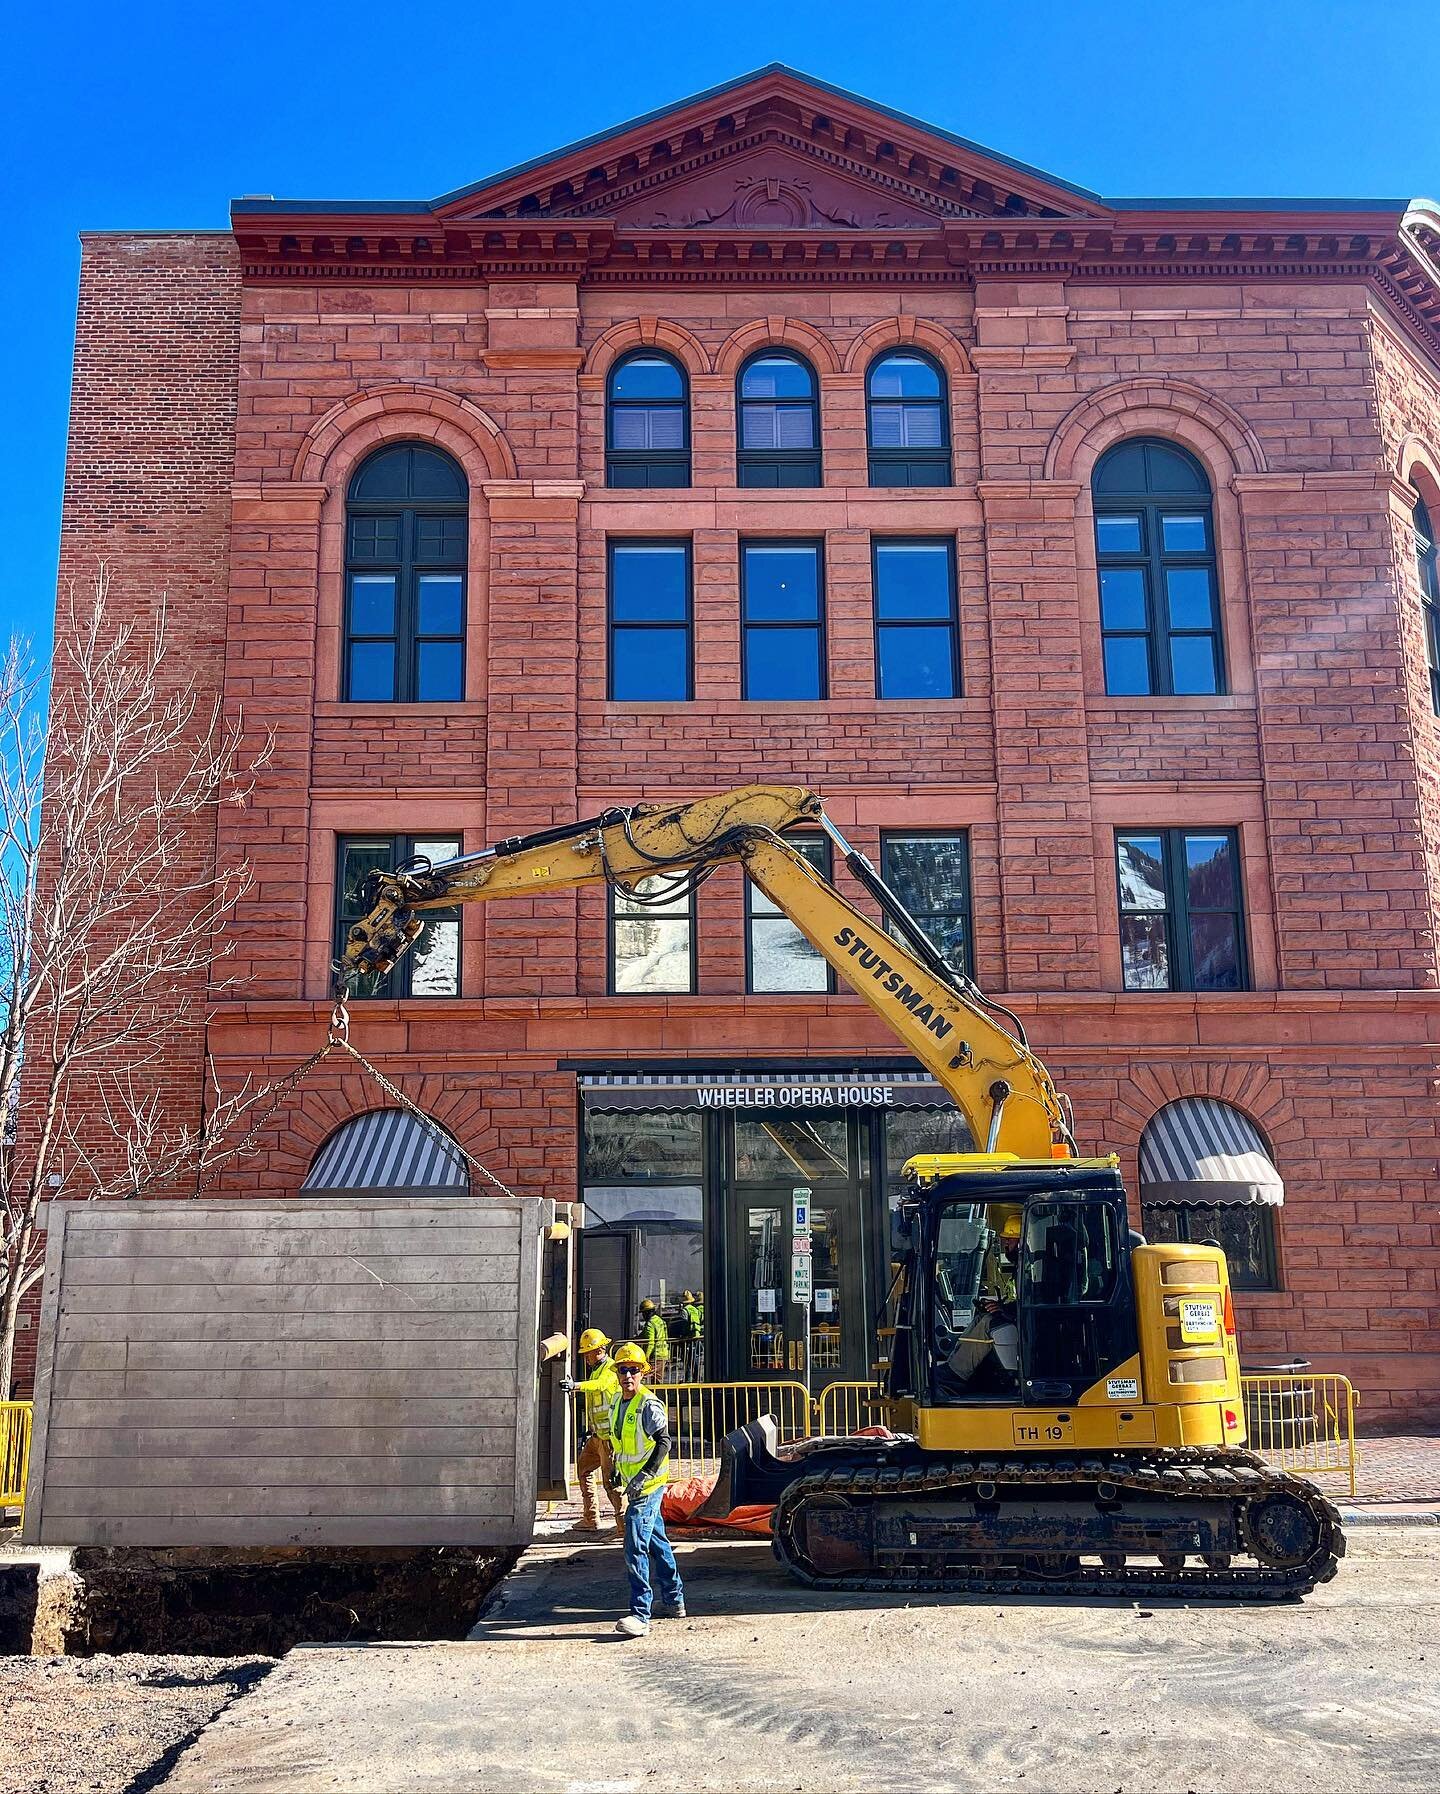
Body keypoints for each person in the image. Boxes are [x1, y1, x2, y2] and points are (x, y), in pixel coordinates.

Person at [608, 1342, 685, 1638]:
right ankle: (675, 1599)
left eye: (634, 1370)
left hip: (648, 1486)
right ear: (617, 1373)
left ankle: (641, 1614)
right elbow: (620, 1443)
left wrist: (645, 1475)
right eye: (623, 1370)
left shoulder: (648, 1405)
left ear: (643, 1373)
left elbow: (664, 1442)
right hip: (633, 1483)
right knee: (656, 1542)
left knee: (634, 1543)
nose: (628, 1375)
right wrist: (617, 1469)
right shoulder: (618, 1402)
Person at [564, 1327, 624, 1533]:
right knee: (583, 1470)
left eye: (587, 1353)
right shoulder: (597, 1369)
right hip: (597, 1436)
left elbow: (598, 1386)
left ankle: (623, 1527)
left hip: (609, 1439)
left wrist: (575, 1386)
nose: (585, 1358)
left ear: (597, 1351)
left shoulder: (610, 1369)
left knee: (611, 1482)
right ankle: (591, 1518)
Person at [638, 1298, 670, 1381]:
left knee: (643, 1376)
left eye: (643, 1313)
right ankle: (658, 1394)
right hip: (663, 1354)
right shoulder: (660, 1321)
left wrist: (646, 1357)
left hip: (655, 1355)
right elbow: (666, 1337)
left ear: (647, 1312)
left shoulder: (650, 1324)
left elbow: (650, 1343)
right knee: (658, 1380)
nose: (643, 1316)